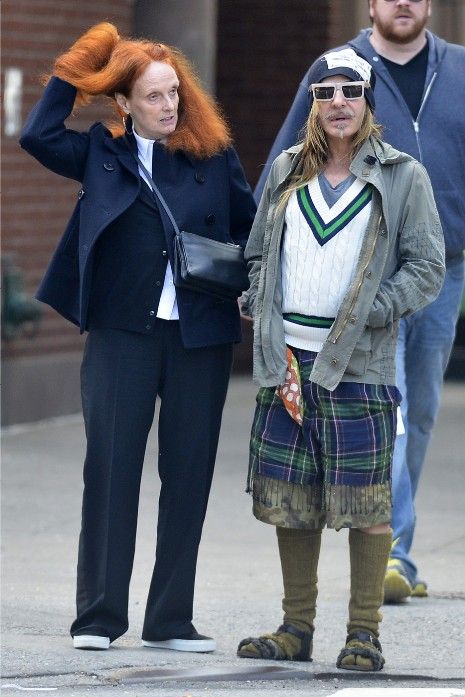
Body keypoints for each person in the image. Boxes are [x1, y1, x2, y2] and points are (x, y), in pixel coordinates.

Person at [20, 22, 256, 652]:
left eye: (174, 93)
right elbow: (36, 134)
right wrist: (80, 64)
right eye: (153, 96)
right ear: (123, 103)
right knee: (111, 469)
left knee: (188, 473)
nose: (169, 105)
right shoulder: (100, 152)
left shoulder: (211, 157)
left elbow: (251, 231)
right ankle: (98, 616)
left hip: (198, 340)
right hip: (121, 335)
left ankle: (171, 619)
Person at [237, 47, 444, 671]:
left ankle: (363, 633)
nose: (337, 104)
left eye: (349, 91)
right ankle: (295, 627)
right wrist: (257, 294)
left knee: (366, 503)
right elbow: (255, 253)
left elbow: (428, 267)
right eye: (324, 93)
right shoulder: (284, 172)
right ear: (312, 102)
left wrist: (375, 309)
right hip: (288, 364)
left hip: (358, 365)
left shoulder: (403, 175)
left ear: (367, 99)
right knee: (290, 497)